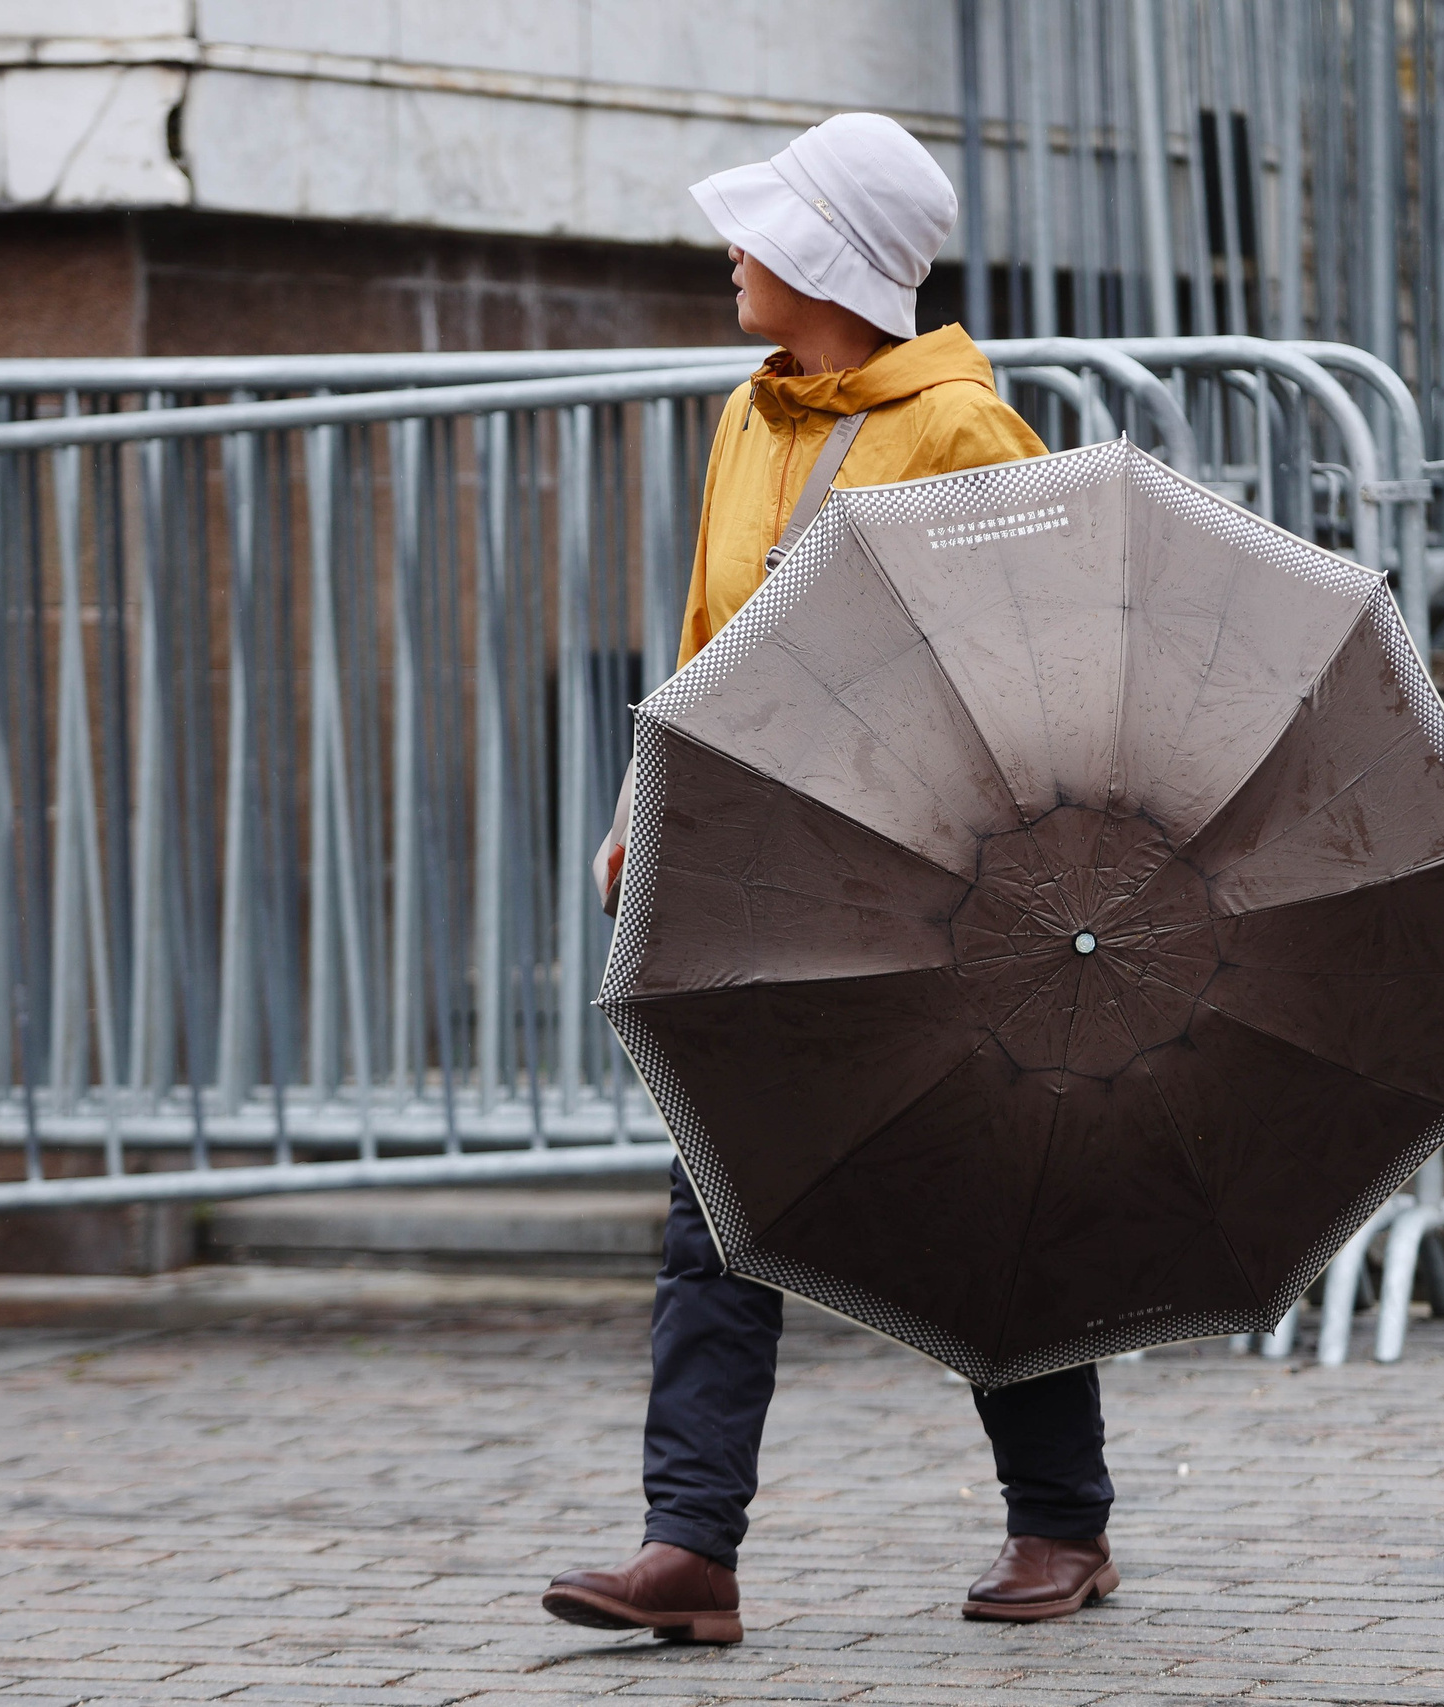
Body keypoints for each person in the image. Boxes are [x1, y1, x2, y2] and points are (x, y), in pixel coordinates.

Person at [541, 113, 1118, 1647]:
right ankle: (691, 1547)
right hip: (769, 878)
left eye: (759, 232)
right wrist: (642, 805)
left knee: (989, 1197)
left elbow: (1035, 675)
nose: (730, 250)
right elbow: (706, 645)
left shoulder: (961, 435)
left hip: (932, 886)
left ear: (826, 261)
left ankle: (1062, 1518)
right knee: (718, 1196)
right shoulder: (752, 414)